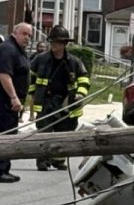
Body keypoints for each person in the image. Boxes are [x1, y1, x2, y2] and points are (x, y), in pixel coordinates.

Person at [28, 25, 89, 171]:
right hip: (46, 101)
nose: (53, 44)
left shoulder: (74, 62)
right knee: (44, 132)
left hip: (67, 102)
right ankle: (42, 160)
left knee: (65, 132)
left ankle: (59, 160)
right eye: (52, 41)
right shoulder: (40, 60)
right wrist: (33, 96)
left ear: (64, 44)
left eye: (57, 42)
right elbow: (30, 79)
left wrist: (80, 94)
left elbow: (84, 79)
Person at [0, 22, 33, 183]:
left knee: (9, 133)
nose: (27, 38)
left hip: (9, 100)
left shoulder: (18, 51)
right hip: (2, 99)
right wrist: (13, 97)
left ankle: (2, 168)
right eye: (24, 34)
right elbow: (4, 75)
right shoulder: (8, 49)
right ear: (14, 32)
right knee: (4, 134)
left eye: (30, 35)